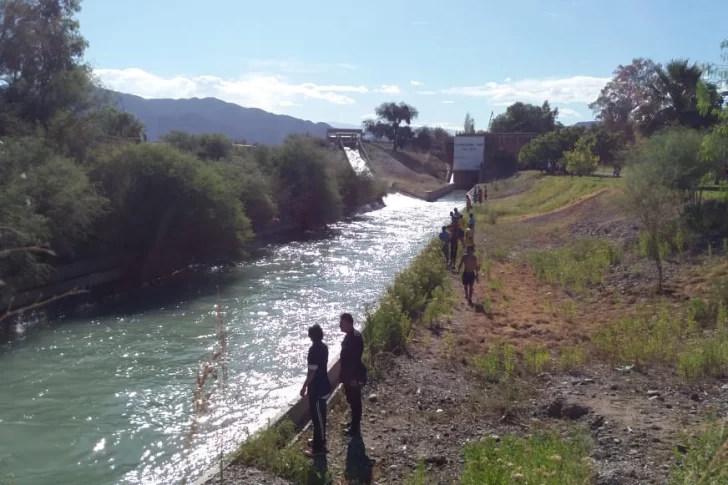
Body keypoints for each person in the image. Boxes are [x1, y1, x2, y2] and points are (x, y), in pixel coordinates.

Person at [300, 324, 332, 457]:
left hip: (317, 389)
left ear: (311, 336)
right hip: (325, 385)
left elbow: (312, 372)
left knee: (318, 418)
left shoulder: (313, 350)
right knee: (320, 416)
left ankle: (319, 448)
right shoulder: (324, 347)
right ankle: (318, 439)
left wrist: (304, 386)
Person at [339, 312, 365, 438]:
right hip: (349, 377)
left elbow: (354, 360)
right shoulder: (349, 336)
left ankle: (355, 428)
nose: (339, 325)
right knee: (352, 401)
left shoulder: (354, 338)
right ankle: (353, 424)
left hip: (353, 377)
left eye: (342, 323)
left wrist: (353, 378)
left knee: (355, 402)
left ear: (348, 324)